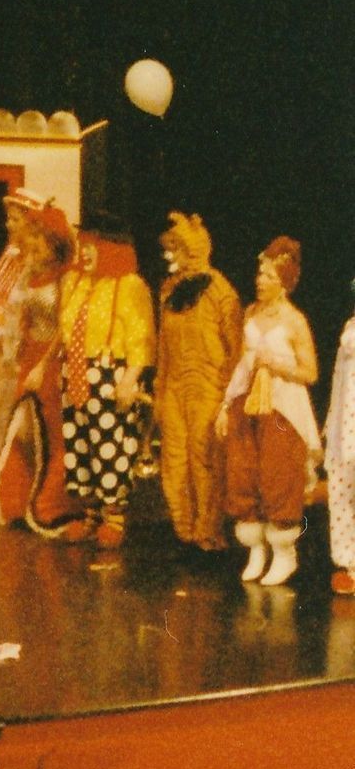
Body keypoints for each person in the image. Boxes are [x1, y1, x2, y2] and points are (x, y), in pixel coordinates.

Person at [218, 237, 319, 586]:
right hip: (248, 404)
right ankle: (256, 549)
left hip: (282, 408)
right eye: (260, 274)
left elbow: (310, 372)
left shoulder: (295, 321)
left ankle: (284, 553)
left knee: (278, 478)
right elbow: (241, 364)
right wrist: (225, 405)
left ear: (284, 282)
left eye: (269, 276)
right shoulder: (251, 313)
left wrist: (276, 363)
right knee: (244, 474)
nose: (260, 281)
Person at [53, 225, 156, 547]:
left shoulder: (129, 285)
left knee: (109, 444)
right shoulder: (75, 281)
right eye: (82, 245)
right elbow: (66, 328)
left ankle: (114, 516)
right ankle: (91, 513)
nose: (84, 252)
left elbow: (142, 336)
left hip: (110, 374)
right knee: (80, 443)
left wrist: (130, 379)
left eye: (92, 246)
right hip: (75, 371)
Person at [153, 212, 242, 552]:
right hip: (175, 387)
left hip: (209, 387)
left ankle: (208, 530)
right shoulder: (170, 291)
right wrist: (161, 392)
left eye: (175, 249)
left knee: (205, 459)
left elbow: (236, 349)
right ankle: (184, 527)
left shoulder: (220, 291)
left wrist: (228, 398)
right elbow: (163, 347)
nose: (168, 255)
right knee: (174, 459)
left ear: (192, 250)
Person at [0, 204, 77, 535]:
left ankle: (51, 504)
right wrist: (14, 355)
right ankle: (17, 500)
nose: (36, 246)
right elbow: (20, 318)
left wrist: (42, 365)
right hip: (30, 356)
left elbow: (65, 328)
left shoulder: (67, 278)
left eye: (43, 241)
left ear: (57, 244)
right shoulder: (30, 273)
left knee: (51, 432)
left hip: (53, 361)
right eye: (34, 239)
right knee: (23, 430)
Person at [0, 189, 51, 486]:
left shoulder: (41, 260)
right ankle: (1, 480)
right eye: (8, 218)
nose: (8, 224)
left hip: (25, 351)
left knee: (23, 424)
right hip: (0, 346)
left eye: (15, 219)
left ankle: (25, 484)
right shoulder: (9, 254)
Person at [325, 279, 355, 597]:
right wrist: (331, 422)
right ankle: (349, 564)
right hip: (344, 425)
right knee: (341, 492)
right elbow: (339, 379)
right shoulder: (349, 326)